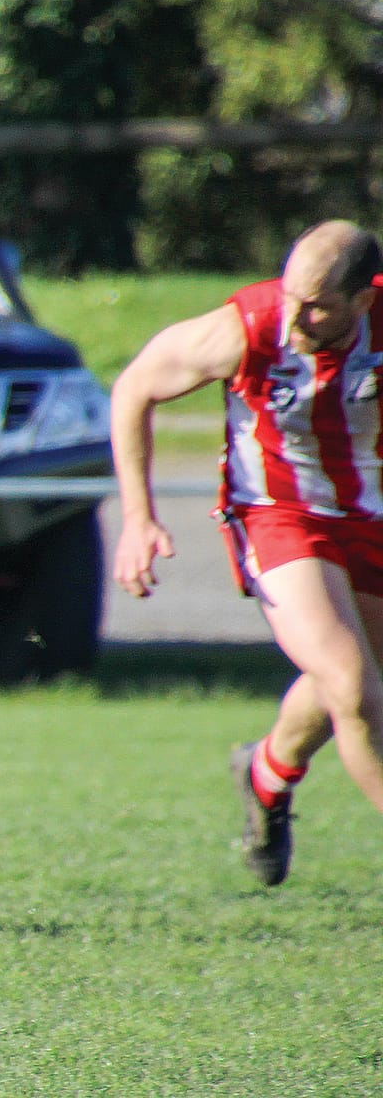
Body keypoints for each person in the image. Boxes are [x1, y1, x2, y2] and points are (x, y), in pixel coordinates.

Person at [111, 219, 383, 888]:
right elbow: (134, 388)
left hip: (370, 517)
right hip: (279, 516)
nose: (296, 314)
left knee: (351, 680)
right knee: (354, 684)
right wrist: (139, 518)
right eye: (291, 293)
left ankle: (266, 772)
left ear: (365, 300)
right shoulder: (247, 327)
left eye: (316, 303)